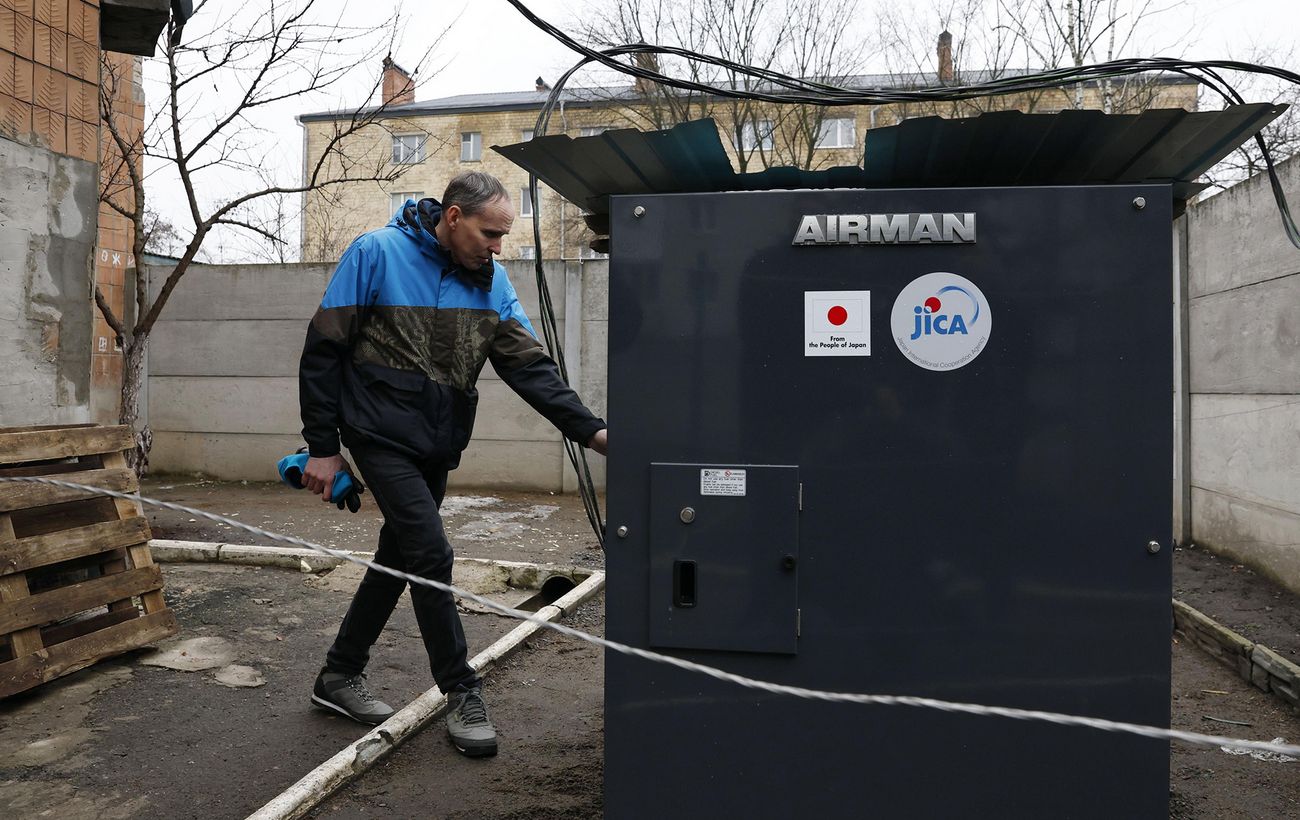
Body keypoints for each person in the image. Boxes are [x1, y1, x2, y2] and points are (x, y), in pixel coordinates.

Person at [297, 171, 608, 757]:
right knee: (432, 553)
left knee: (401, 555)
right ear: (454, 216)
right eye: (490, 233)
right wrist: (321, 445)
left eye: (503, 236)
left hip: (437, 444)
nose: (497, 247)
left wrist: (593, 432)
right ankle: (461, 691)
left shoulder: (492, 285)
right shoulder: (376, 253)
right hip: (376, 435)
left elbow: (530, 369)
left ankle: (338, 676)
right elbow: (323, 351)